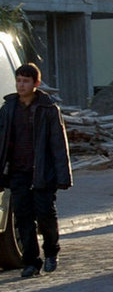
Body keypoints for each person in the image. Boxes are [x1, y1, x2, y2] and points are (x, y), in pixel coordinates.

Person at [0, 63, 72, 278]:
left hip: (42, 171)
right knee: (22, 217)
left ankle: (51, 252)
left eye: (26, 81)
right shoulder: (8, 108)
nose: (21, 85)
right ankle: (31, 261)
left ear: (36, 84)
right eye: (19, 80)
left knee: (45, 214)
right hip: (17, 171)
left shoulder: (48, 109)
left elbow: (58, 144)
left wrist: (63, 175)